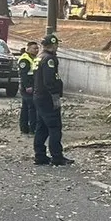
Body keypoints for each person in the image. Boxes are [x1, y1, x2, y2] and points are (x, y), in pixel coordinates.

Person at [33, 34, 68, 166]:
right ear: (53, 45)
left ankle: (40, 155)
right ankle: (57, 156)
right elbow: (49, 80)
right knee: (54, 127)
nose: (57, 47)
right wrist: (55, 93)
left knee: (41, 127)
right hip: (48, 97)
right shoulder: (49, 59)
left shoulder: (39, 57)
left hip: (39, 96)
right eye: (56, 44)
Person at [18, 40, 40, 135]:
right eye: (34, 48)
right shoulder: (25, 59)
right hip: (28, 87)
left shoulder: (33, 58)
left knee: (26, 108)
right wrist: (28, 86)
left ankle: (25, 128)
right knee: (31, 107)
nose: (36, 50)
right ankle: (31, 128)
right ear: (28, 49)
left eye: (37, 48)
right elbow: (24, 74)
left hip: (32, 86)